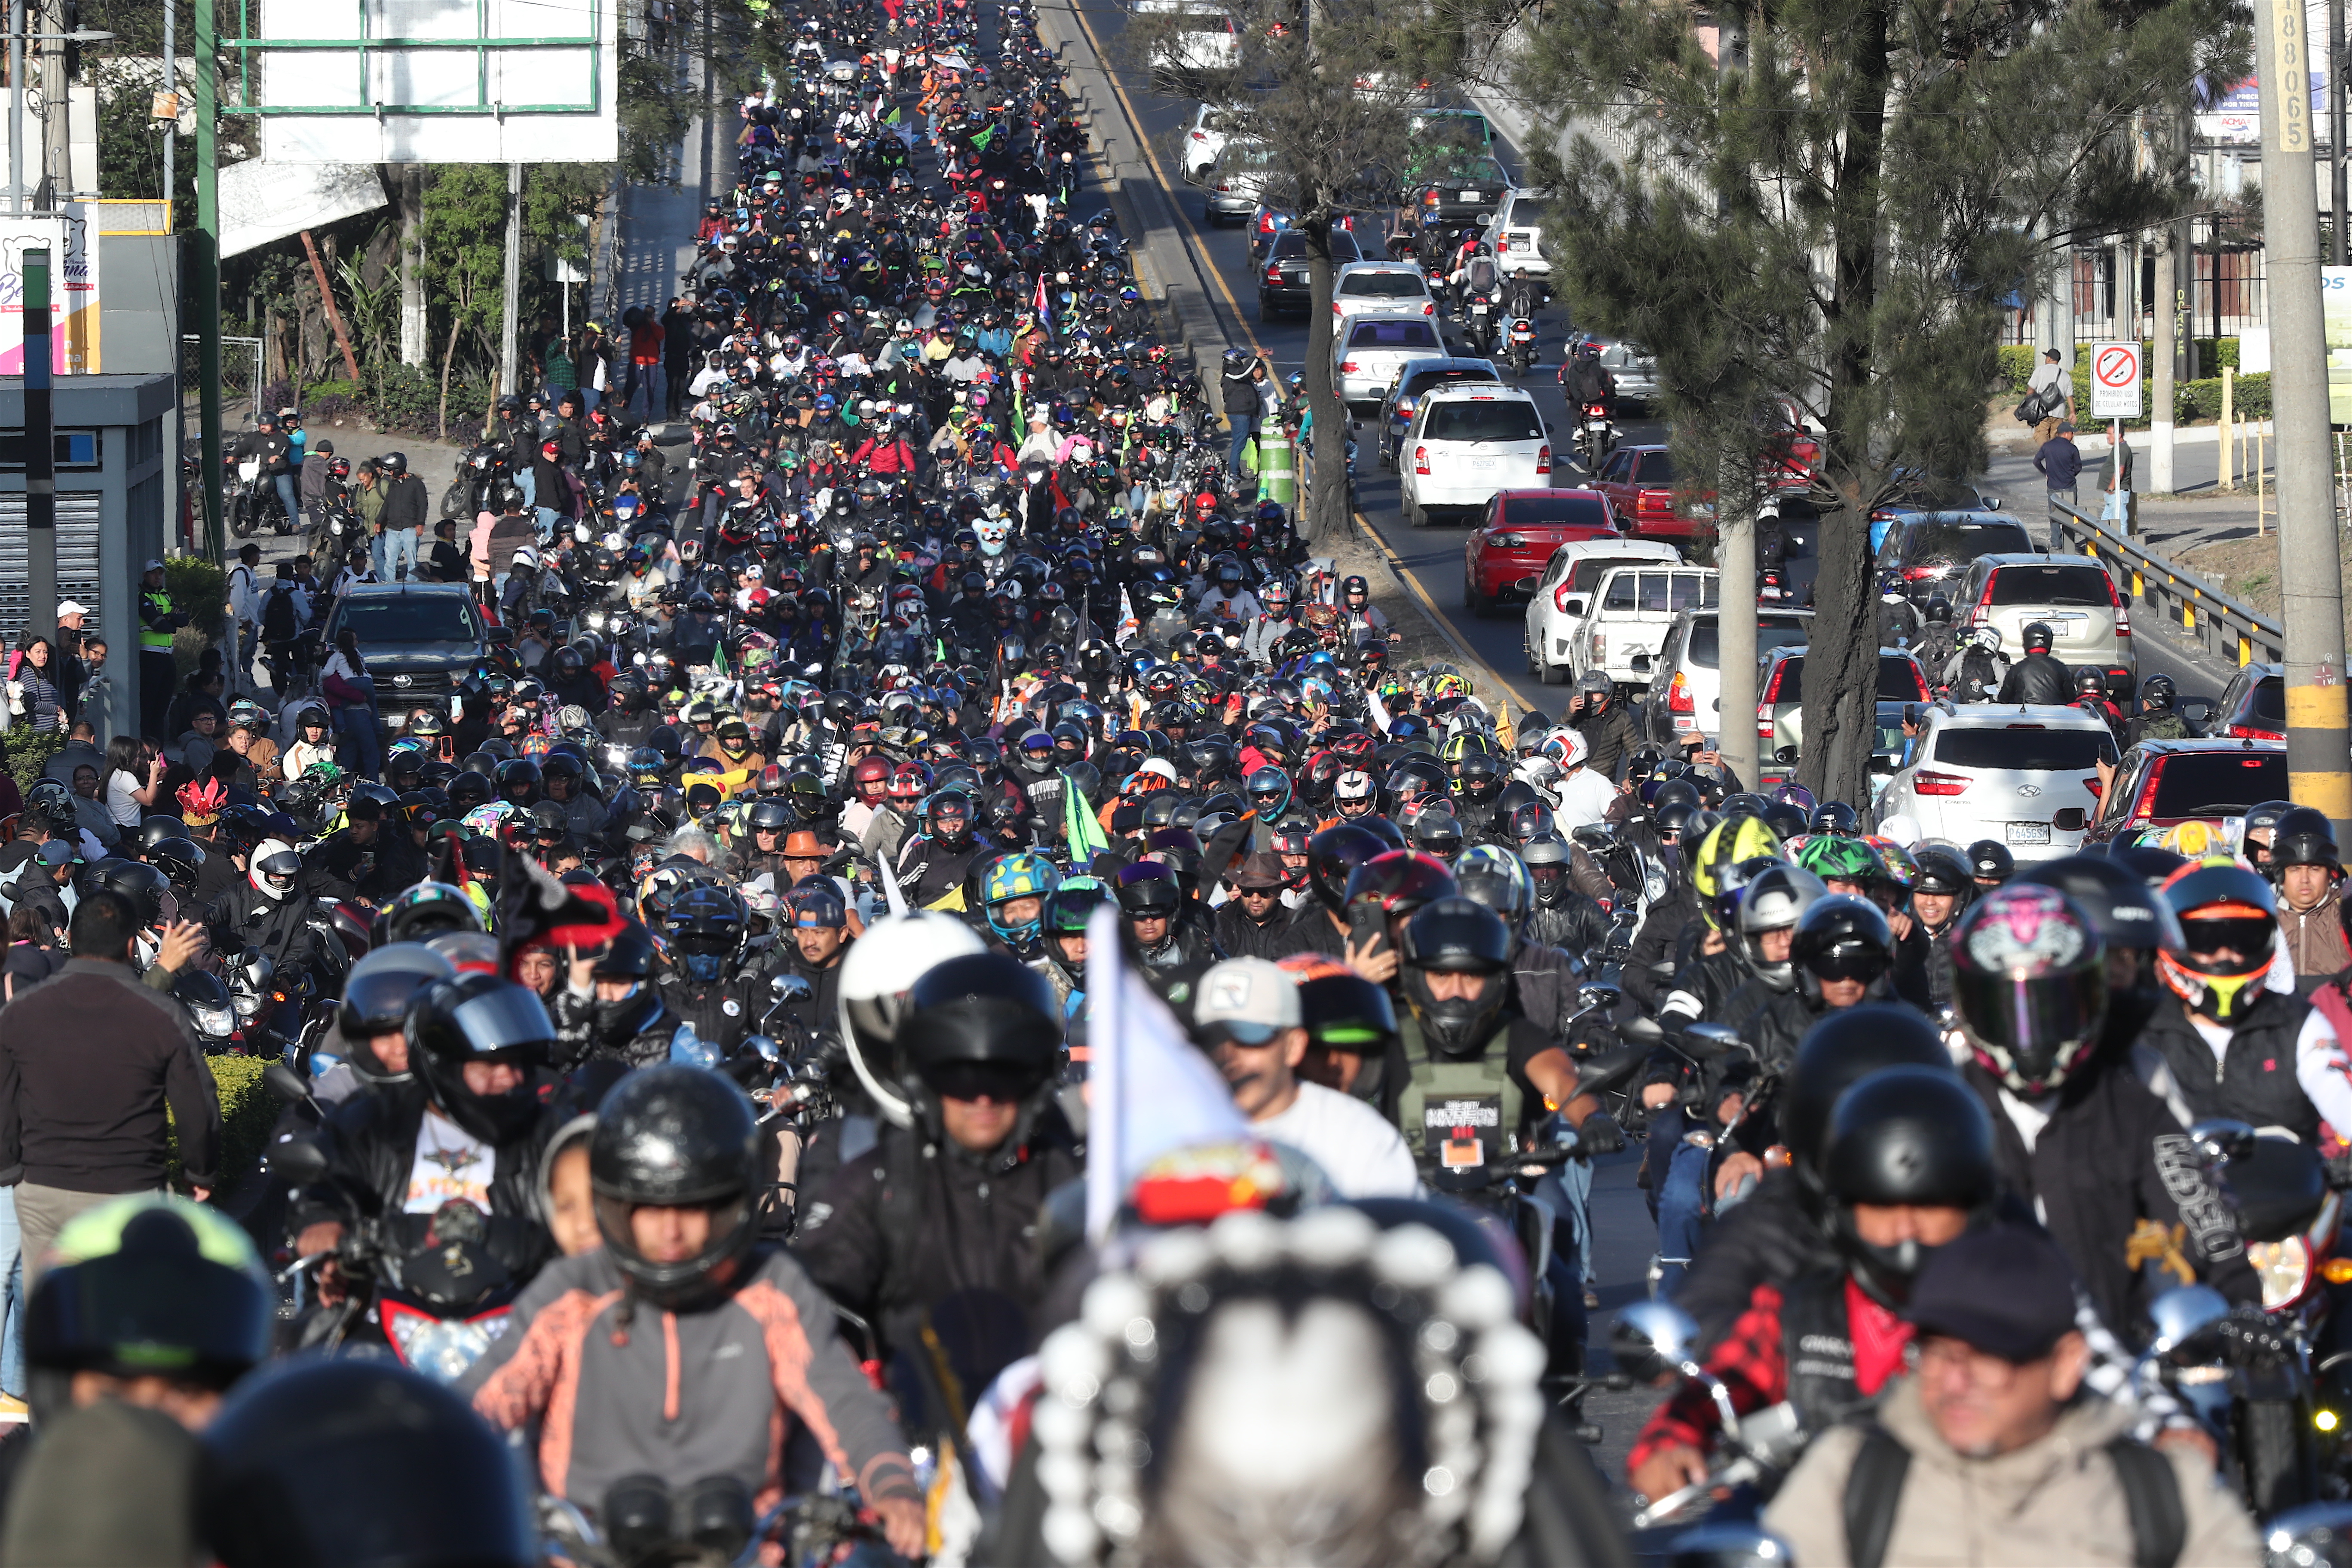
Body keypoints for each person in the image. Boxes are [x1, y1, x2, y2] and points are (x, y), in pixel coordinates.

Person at [464, 1066, 927, 1559]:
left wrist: (892, 1486)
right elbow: (486, 1398)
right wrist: (422, 1459)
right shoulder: (574, 1293)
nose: (671, 1233)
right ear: (618, 1206)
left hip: (749, 1549)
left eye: (693, 1207)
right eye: (650, 1207)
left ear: (731, 1203)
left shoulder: (770, 1290)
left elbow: (840, 1396)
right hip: (586, 1552)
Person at [1761, 1225, 2261, 1568]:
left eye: (1987, 1358)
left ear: (2067, 1364)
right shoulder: (1851, 1478)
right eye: (1937, 1353)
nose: (1955, 1383)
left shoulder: (2161, 1495)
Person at [0, 1195, 273, 1563]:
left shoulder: (276, 1529)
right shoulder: (10, 1500)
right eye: (113, 1394)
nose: (146, 1417)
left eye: (184, 1392)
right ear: (56, 1393)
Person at [0, 891, 221, 1292]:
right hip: (129, 1191)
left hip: (42, 1190)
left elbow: (4, 1098)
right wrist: (200, 1171)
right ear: (131, 945)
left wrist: (12, 1171)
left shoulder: (21, 1012)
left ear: (71, 937)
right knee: (122, 1320)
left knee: (51, 1320)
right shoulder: (159, 1015)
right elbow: (196, 1103)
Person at [1196, 956, 1418, 1198]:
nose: (1229, 1058)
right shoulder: (1172, 1132)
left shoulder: (1362, 1137)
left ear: (1293, 1047)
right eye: (1213, 1041)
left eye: (1250, 1038)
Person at [2269, 806, 2347, 991]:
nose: (2305, 879)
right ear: (2281, 874)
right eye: (2295, 869)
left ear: (2330, 873)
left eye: (2315, 869)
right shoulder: (2261, 917)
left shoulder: (2346, 916)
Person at [136, 558, 182, 743]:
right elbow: (159, 624)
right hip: (150, 656)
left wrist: (169, 617)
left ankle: (159, 754)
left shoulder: (165, 595)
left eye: (161, 573)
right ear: (145, 575)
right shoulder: (143, 597)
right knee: (149, 708)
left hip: (167, 656)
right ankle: (147, 750)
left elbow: (184, 619)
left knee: (162, 709)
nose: (158, 577)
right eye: (154, 573)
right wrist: (171, 619)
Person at [1995, 620, 2073, 705]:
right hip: (2055, 717)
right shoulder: (2061, 668)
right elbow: (2072, 699)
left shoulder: (2017, 669)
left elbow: (2003, 699)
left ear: (2026, 643)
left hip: (2025, 716)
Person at [2033, 421, 2083, 547]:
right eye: (2072, 433)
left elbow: (2036, 461)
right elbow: (2078, 467)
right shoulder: (2072, 448)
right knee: (2070, 515)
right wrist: (2071, 475)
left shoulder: (2047, 446)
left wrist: (2046, 472)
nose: (2073, 436)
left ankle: (2056, 541)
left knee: (2054, 514)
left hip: (2053, 486)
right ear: (2066, 434)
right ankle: (2068, 542)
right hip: (2069, 485)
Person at [2027, 346, 2072, 443]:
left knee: (2041, 435)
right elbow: (2070, 396)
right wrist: (2073, 412)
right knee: (2056, 438)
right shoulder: (2066, 375)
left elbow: (2031, 390)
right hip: (2059, 412)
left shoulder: (2040, 370)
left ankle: (2047, 454)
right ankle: (2054, 456)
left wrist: (2030, 407)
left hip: (2043, 411)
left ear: (2049, 358)